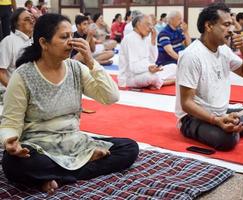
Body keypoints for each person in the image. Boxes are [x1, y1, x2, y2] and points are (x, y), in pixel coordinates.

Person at [0, 13, 139, 194]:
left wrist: (90, 61)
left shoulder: (76, 69)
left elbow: (111, 96)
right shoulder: (23, 76)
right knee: (11, 162)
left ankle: (57, 176)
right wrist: (10, 140)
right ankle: (80, 165)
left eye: (72, 36)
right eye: (64, 37)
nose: (71, 42)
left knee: (129, 148)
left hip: (74, 143)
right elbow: (11, 121)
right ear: (43, 43)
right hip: (39, 147)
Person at [176, 3, 243, 151]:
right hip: (194, 118)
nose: (231, 30)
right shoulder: (191, 56)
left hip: (221, 112)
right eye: (226, 25)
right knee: (227, 139)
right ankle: (231, 124)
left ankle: (231, 122)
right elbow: (187, 103)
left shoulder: (223, 50)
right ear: (209, 26)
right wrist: (215, 120)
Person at [118, 14, 173, 89]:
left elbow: (153, 59)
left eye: (151, 25)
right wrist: (148, 68)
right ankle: (165, 82)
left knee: (174, 67)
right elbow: (133, 67)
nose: (150, 28)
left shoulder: (146, 38)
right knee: (151, 77)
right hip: (131, 77)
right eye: (148, 24)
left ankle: (157, 81)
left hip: (145, 71)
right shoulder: (130, 39)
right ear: (138, 24)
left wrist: (153, 41)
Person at [0, 8, 34, 103]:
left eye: (32, 18)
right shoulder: (9, 41)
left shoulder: (33, 42)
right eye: (27, 19)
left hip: (30, 95)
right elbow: (1, 72)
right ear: (16, 23)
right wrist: (15, 91)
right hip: (11, 96)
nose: (31, 21)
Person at [156, 11, 191, 80]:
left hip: (176, 61)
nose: (181, 21)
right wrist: (182, 61)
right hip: (167, 63)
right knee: (176, 69)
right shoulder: (164, 33)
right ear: (171, 20)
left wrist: (186, 32)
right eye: (179, 19)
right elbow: (170, 52)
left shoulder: (179, 31)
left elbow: (189, 45)